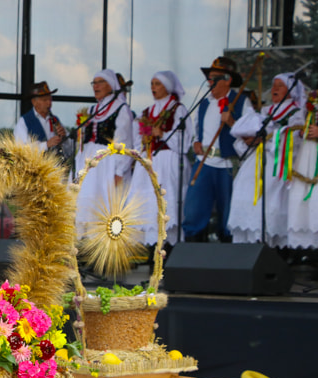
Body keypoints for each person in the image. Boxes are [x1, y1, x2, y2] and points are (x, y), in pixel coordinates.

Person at [228, 73, 304, 246]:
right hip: (255, 161)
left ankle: (270, 246)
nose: (275, 88)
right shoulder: (264, 111)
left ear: (291, 91)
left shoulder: (296, 112)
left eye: (280, 85)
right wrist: (247, 139)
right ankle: (249, 244)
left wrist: (267, 139)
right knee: (244, 192)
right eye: (274, 84)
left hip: (277, 163)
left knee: (269, 201)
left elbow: (294, 138)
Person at [182, 56, 248, 242]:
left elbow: (252, 133)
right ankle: (193, 245)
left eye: (215, 78)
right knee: (195, 207)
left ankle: (226, 246)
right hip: (204, 162)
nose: (210, 82)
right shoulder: (204, 103)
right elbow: (197, 128)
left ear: (227, 80)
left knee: (227, 209)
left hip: (227, 163)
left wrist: (232, 122)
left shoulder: (241, 102)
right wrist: (196, 141)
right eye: (209, 78)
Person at [131, 71, 193, 246]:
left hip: (169, 161)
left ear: (167, 86)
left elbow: (184, 141)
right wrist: (143, 142)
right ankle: (153, 250)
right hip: (151, 160)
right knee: (149, 205)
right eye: (152, 84)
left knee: (168, 201)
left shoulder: (177, 109)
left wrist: (163, 134)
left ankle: (171, 246)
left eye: (157, 84)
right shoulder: (147, 111)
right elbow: (137, 141)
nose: (153, 88)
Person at [73, 69, 134, 237]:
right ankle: (84, 244)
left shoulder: (121, 109)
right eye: (94, 83)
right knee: (86, 203)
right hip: (90, 164)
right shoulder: (93, 109)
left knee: (104, 203)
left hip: (108, 164)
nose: (96, 86)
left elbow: (124, 143)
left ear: (111, 85)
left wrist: (119, 171)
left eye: (100, 82)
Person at [287, 90, 318, 249]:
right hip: (308, 153)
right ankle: (305, 248)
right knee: (304, 196)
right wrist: (301, 131)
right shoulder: (311, 98)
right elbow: (296, 124)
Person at [14, 81, 68, 155]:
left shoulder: (55, 120)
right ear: (34, 102)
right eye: (45, 100)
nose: (49, 103)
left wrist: (64, 138)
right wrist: (46, 145)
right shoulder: (24, 121)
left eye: (50, 99)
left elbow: (69, 151)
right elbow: (22, 149)